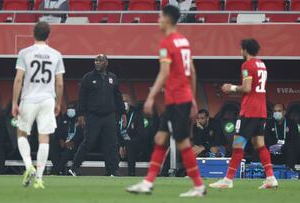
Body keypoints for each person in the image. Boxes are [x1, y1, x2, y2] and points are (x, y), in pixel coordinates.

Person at [126, 5, 206, 197]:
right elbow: (192, 72)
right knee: (160, 139)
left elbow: (164, 73)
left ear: (168, 19)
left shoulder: (167, 43)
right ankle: (148, 182)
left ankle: (198, 185)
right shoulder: (183, 41)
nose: (158, 20)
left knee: (183, 143)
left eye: (160, 16)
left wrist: (151, 97)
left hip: (177, 100)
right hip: (180, 100)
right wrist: (193, 98)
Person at [210, 39, 278, 189]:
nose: (240, 52)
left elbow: (246, 88)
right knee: (259, 144)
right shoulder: (262, 64)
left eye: (241, 49)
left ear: (245, 50)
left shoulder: (246, 65)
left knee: (238, 144)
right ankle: (271, 177)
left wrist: (231, 87)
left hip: (249, 111)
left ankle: (228, 180)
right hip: (261, 111)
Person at [12, 22, 65, 189]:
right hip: (47, 99)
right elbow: (60, 83)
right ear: (48, 35)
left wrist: (14, 102)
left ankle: (29, 166)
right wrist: (58, 103)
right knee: (44, 137)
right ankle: (39, 179)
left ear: (33, 34)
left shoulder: (24, 53)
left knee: (21, 133)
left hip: (29, 98)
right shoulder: (56, 54)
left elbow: (19, 79)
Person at [68, 54, 126, 177]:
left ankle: (113, 170)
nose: (97, 62)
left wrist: (123, 113)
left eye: (100, 60)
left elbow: (118, 97)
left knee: (112, 143)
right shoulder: (88, 78)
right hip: (93, 116)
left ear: (106, 63)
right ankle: (74, 167)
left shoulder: (112, 78)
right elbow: (82, 97)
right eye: (95, 60)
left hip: (109, 116)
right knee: (88, 142)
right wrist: (80, 114)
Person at [50, 104, 84, 175]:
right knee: (53, 147)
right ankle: (58, 170)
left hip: (74, 144)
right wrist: (60, 140)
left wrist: (72, 141)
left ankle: (56, 171)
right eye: (69, 108)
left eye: (72, 108)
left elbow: (81, 135)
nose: (70, 110)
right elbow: (58, 132)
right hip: (63, 143)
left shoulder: (79, 120)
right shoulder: (63, 119)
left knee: (68, 151)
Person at [265, 103, 299, 170]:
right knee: (262, 149)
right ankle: (261, 171)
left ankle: (289, 170)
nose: (277, 113)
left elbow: (293, 140)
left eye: (279, 111)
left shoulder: (292, 123)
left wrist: (281, 147)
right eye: (275, 111)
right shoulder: (269, 123)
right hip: (273, 150)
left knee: (291, 149)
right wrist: (275, 146)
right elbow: (267, 138)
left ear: (284, 112)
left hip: (286, 150)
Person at [119, 94, 145, 176]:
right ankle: (111, 172)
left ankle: (131, 173)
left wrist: (126, 144)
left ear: (129, 102)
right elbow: (115, 132)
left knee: (130, 145)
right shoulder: (116, 114)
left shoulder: (137, 113)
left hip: (134, 145)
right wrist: (121, 145)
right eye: (122, 102)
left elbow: (140, 134)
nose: (124, 103)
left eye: (125, 101)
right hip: (120, 144)